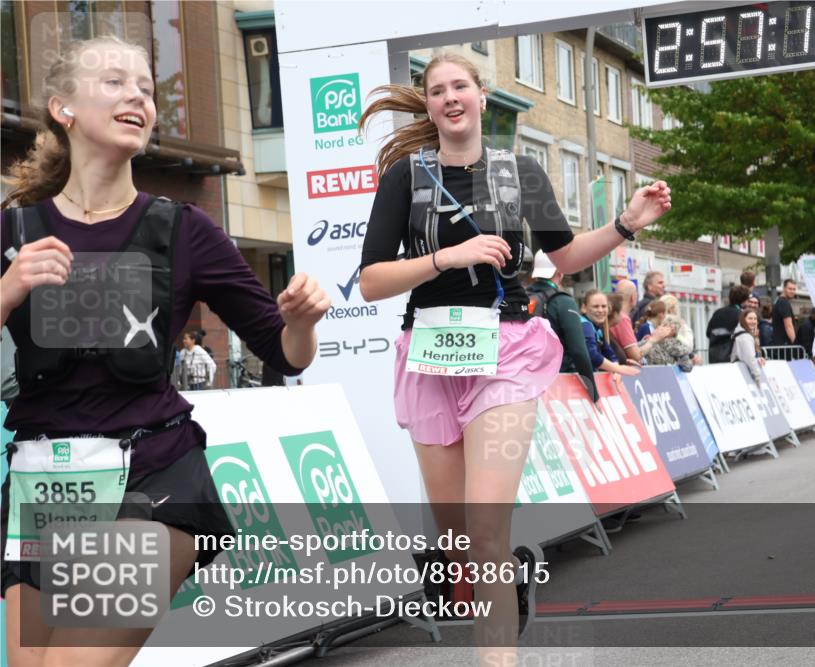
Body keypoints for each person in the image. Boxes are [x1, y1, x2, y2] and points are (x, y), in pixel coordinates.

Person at [0, 35, 329, 666]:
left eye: (147, 89)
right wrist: (8, 291)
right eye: (115, 82)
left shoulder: (184, 229)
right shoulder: (15, 231)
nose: (138, 97)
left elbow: (285, 354)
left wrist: (302, 320)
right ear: (62, 109)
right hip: (44, 488)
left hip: (152, 477)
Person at [356, 52, 671, 652]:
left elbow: (568, 256)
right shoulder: (406, 176)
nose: (449, 98)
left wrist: (627, 223)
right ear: (428, 105)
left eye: (460, 87)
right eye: (437, 90)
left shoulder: (520, 172)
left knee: (486, 529)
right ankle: (494, 580)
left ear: (480, 97)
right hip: (429, 354)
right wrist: (449, 256)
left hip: (505, 351)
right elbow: (371, 281)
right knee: (459, 547)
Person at [525, 250, 598, 401]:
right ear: (559, 272)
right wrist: (594, 393)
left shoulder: (521, 297)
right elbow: (578, 350)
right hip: (558, 383)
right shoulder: (563, 301)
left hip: (524, 382)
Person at [580, 290, 641, 377]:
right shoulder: (585, 325)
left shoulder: (597, 329)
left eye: (604, 306)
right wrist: (618, 369)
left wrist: (615, 367)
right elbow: (592, 355)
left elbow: (609, 352)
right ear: (584, 308)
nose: (600, 310)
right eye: (595, 306)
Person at [706, 285, 749, 363]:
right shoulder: (741, 315)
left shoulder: (717, 312)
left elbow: (708, 333)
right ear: (743, 300)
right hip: (733, 358)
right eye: (747, 299)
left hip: (714, 357)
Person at [731, 309, 764, 385]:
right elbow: (750, 358)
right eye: (750, 318)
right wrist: (758, 377)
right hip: (741, 375)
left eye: (755, 319)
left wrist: (758, 359)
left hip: (738, 371)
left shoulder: (739, 333)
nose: (753, 321)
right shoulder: (745, 337)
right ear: (743, 320)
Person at [771, 279, 798, 347]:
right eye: (790, 289)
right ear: (784, 288)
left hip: (780, 344)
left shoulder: (779, 301)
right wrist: (795, 344)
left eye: (794, 289)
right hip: (785, 345)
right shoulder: (784, 303)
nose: (792, 291)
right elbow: (788, 326)